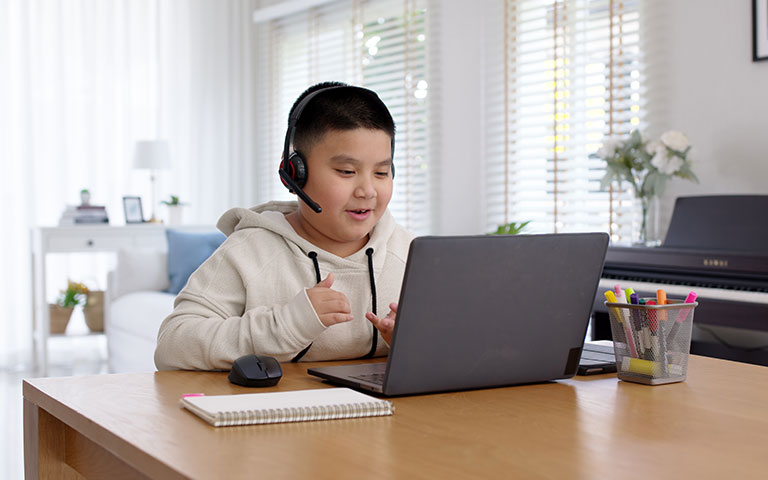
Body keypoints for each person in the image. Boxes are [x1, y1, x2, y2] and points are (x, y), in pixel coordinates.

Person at [154, 81, 413, 371]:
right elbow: (172, 345)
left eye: (381, 172)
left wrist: (415, 343)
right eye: (347, 171)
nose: (367, 190)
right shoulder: (250, 251)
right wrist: (287, 325)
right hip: (276, 414)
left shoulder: (410, 255)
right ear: (294, 173)